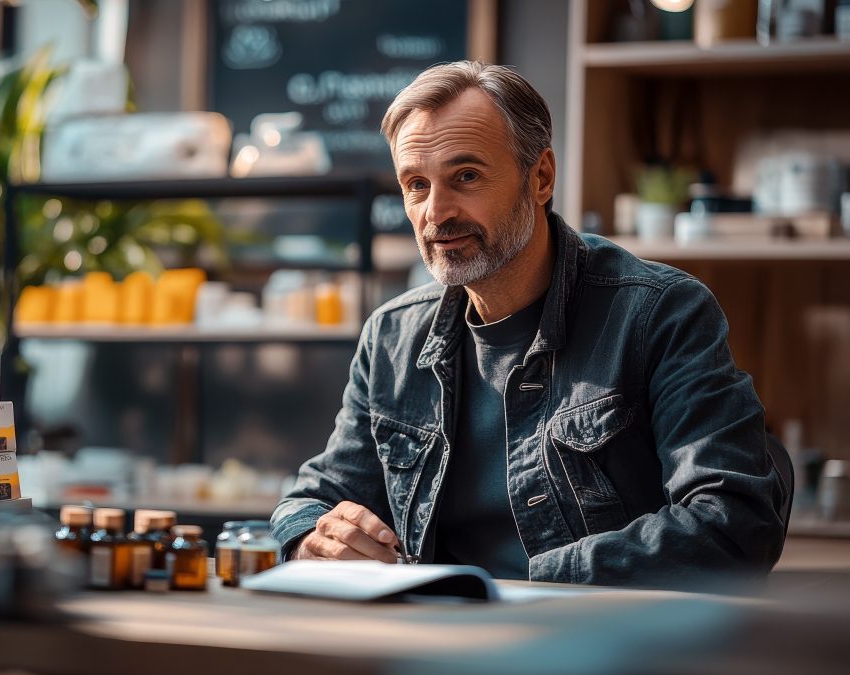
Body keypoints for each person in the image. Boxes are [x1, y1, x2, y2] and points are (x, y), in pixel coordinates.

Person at [270, 61, 788, 587]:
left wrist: (520, 583)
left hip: (603, 645)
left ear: (540, 177)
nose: (436, 213)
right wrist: (313, 537)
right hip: (430, 639)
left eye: (465, 176)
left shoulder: (660, 312)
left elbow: (734, 523)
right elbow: (314, 498)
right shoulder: (391, 336)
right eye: (417, 185)